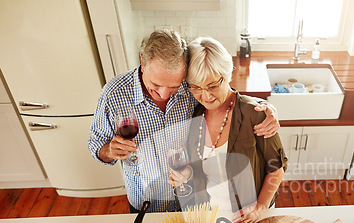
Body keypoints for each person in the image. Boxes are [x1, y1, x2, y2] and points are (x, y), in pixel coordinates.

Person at [88, 30, 279, 213]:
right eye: (155, 85)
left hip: (189, 199)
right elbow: (96, 145)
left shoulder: (189, 88)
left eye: (173, 87)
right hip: (145, 201)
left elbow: (218, 91)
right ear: (142, 62)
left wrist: (263, 108)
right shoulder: (113, 94)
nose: (163, 94)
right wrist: (108, 151)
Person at [168, 37, 287, 223]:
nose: (205, 96)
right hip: (211, 214)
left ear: (228, 74)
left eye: (213, 85)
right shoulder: (195, 115)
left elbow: (277, 167)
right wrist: (187, 174)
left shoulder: (254, 114)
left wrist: (261, 207)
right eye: (196, 87)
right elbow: (203, 167)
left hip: (251, 217)